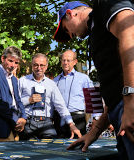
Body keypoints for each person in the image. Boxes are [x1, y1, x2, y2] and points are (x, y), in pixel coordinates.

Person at [53, 1, 134, 159]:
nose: (69, 36)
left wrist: (131, 100)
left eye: (65, 29)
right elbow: (113, 94)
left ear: (70, 14)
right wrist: (94, 132)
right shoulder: (97, 31)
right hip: (121, 112)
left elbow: (129, 34)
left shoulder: (104, 5)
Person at [18, 53, 81, 139]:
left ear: (46, 67)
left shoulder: (51, 84)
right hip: (28, 122)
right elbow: (14, 102)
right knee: (30, 150)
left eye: (42, 65)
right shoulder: (23, 81)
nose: (39, 68)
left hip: (46, 122)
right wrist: (28, 100)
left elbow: (61, 106)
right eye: (36, 65)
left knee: (50, 148)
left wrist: (71, 124)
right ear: (32, 65)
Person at [0, 46, 27, 142]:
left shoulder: (13, 79)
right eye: (11, 61)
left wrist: (23, 118)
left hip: (15, 128)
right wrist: (16, 119)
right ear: (3, 58)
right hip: (0, 127)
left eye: (16, 63)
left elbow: (18, 101)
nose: (13, 65)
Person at [54, 50, 93, 138]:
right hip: (59, 119)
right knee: (59, 148)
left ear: (75, 62)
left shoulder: (83, 78)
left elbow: (91, 100)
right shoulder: (55, 80)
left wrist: (95, 119)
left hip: (77, 118)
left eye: (68, 60)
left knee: (77, 148)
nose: (65, 63)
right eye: (63, 60)